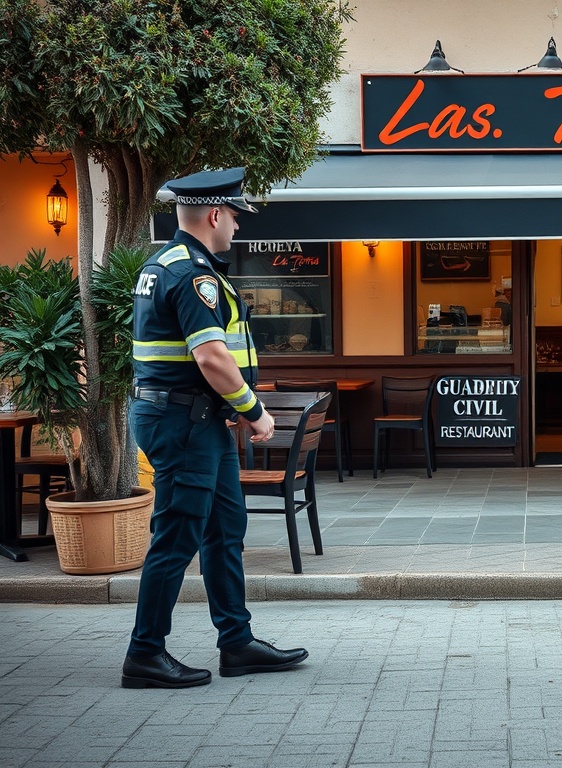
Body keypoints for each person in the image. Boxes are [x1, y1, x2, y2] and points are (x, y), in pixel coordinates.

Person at [122, 168, 308, 689]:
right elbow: (211, 357)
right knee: (177, 539)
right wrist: (255, 411)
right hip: (183, 422)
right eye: (234, 217)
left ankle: (237, 643)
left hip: (196, 420)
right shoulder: (191, 274)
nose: (238, 229)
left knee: (225, 531)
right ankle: (144, 653)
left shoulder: (172, 265)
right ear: (214, 214)